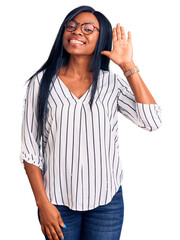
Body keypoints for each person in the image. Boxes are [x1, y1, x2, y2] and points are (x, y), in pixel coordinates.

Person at [19, 5, 162, 240]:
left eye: (88, 29)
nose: (77, 32)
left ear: (101, 37)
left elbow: (152, 121)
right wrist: (42, 204)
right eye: (72, 26)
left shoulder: (111, 84)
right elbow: (30, 151)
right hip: (56, 201)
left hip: (106, 202)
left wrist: (127, 66)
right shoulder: (42, 83)